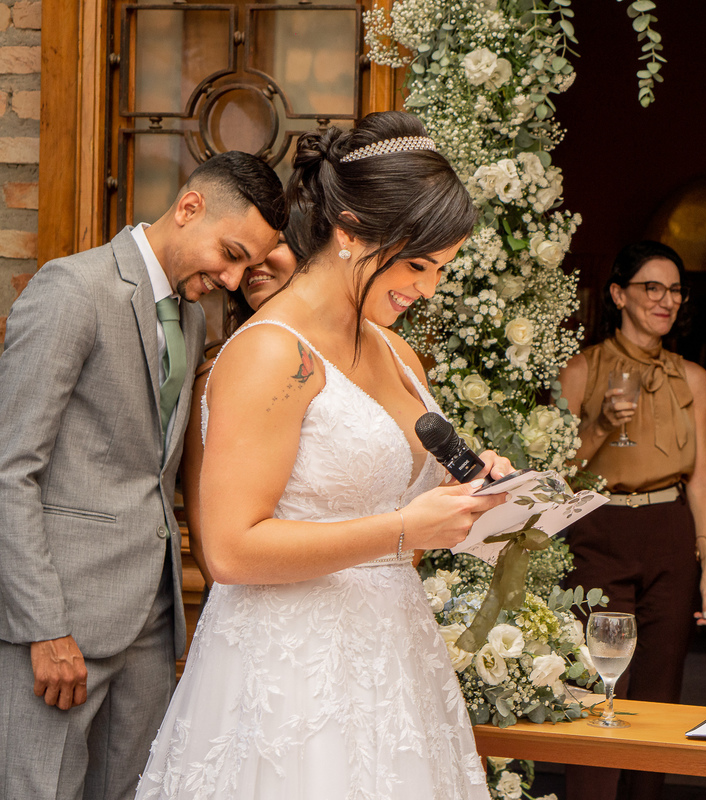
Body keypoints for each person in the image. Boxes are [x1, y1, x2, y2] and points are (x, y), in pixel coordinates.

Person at [135, 111, 508, 799]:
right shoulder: (272, 353)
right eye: (417, 264)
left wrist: (477, 486)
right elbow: (229, 550)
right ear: (349, 230)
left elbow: (405, 498)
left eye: (441, 270)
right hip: (291, 673)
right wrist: (405, 530)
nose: (426, 289)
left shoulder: (396, 351)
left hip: (395, 663)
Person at [0, 151, 286, 800]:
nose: (236, 277)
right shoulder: (73, 289)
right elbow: (10, 469)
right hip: (62, 622)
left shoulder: (188, 316)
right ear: (188, 208)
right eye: (232, 252)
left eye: (249, 266)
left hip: (150, 621)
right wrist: (44, 627)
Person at [558, 240, 706, 800]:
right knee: (597, 686)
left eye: (674, 289)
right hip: (599, 531)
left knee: (659, 693)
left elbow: (701, 475)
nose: (666, 300)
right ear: (618, 295)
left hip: (670, 535)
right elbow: (558, 472)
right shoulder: (582, 368)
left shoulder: (693, 378)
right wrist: (603, 423)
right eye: (651, 288)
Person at [181, 207, 310, 586]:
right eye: (245, 256)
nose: (256, 264)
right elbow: (206, 532)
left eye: (278, 245)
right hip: (257, 608)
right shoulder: (215, 375)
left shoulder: (360, 362)